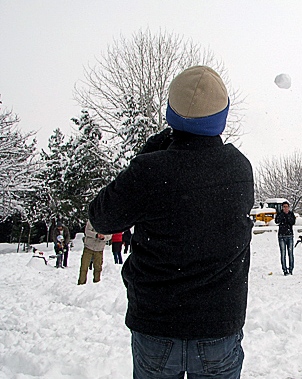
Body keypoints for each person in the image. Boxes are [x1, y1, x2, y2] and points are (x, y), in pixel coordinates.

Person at [88, 66, 254, 379]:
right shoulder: (239, 169)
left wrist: (146, 157)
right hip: (217, 328)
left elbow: (101, 217)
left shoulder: (150, 171)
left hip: (156, 327)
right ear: (222, 116)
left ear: (171, 113)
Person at [78, 220, 111, 284]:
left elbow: (109, 236)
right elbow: (87, 231)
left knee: (98, 267)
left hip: (99, 249)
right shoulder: (92, 220)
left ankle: (97, 283)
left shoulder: (108, 222)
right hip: (88, 247)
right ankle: (81, 283)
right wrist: (96, 235)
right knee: (84, 267)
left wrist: (104, 237)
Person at [276, 201, 296, 276]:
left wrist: (288, 216)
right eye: (284, 207)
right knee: (283, 253)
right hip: (281, 236)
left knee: (290, 253)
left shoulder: (291, 214)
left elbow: (292, 222)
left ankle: (291, 269)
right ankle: (284, 269)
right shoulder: (279, 214)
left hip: (289, 235)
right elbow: (277, 221)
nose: (285, 208)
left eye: (286, 207)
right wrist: (282, 215)